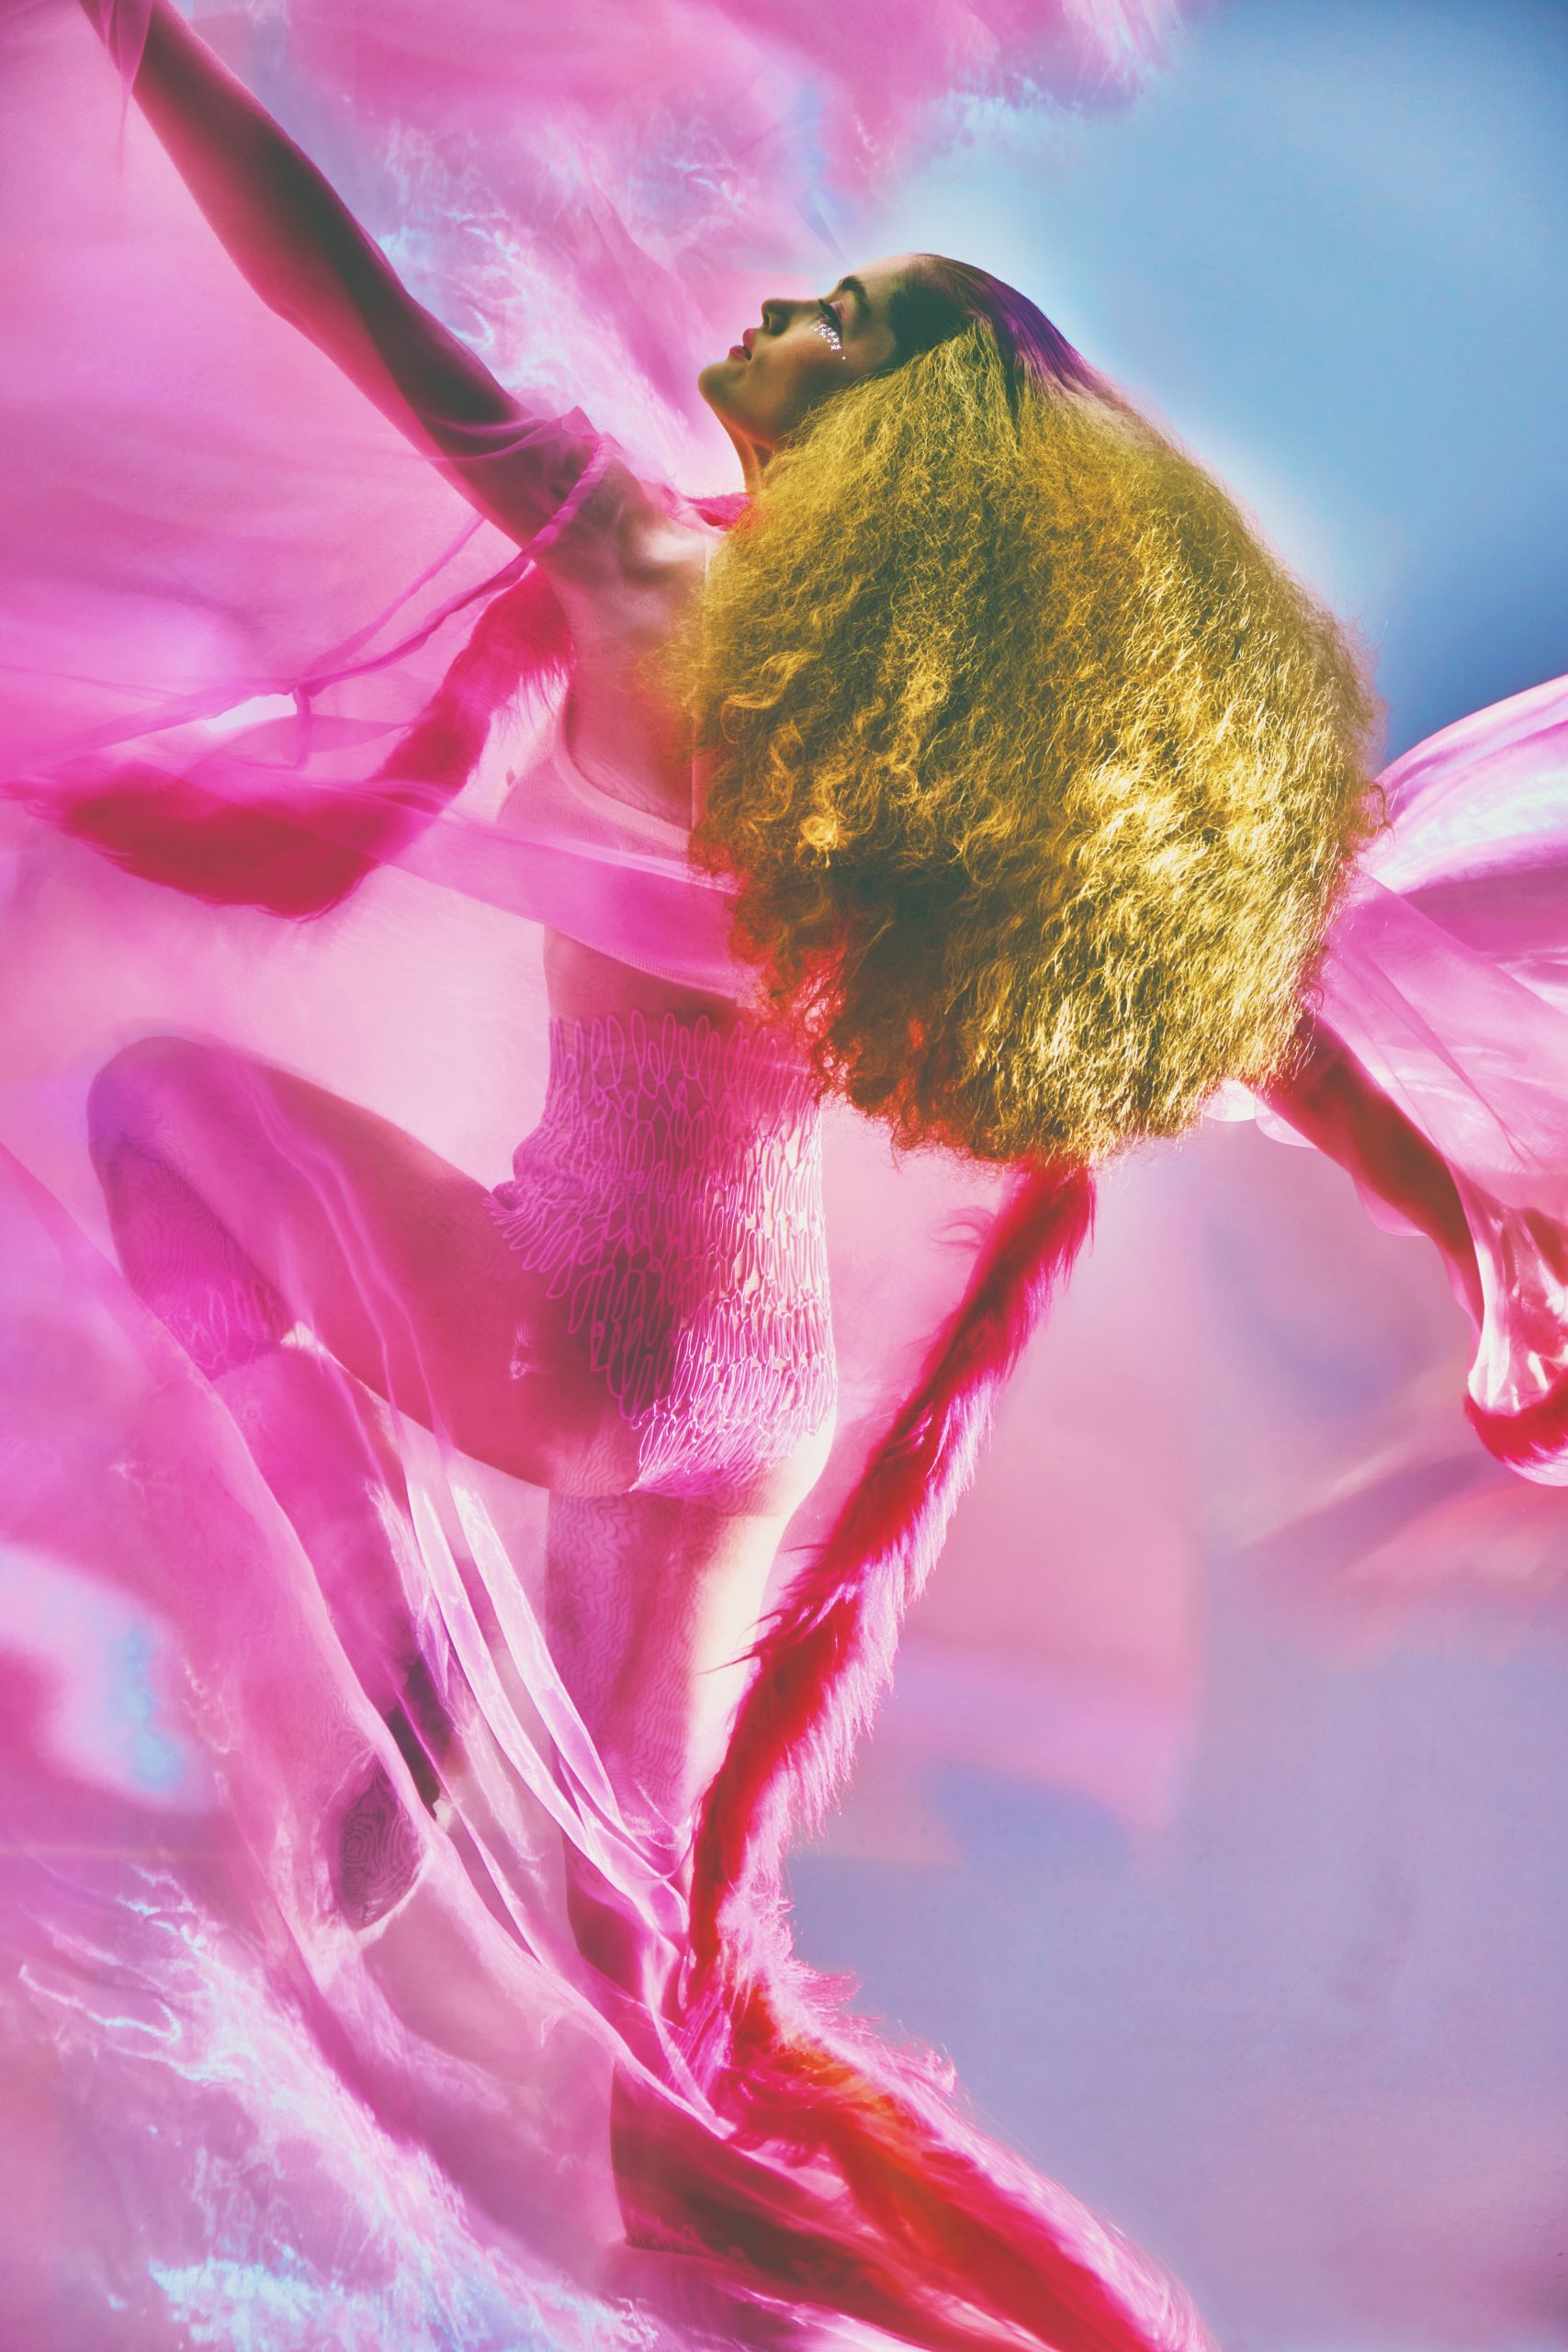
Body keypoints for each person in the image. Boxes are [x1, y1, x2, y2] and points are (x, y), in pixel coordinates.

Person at [6, 2, 1568, 2346]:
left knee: (154, 1124)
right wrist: (1476, 1251)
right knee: (652, 1996)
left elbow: (337, 295)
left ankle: (383, 1582)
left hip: (572, 1307)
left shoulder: (631, 557)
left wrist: (160, 65)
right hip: (750, 1385)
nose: (777, 310)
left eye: (835, 327)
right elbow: (1278, 1040)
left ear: (900, 450)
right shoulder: (957, 788)